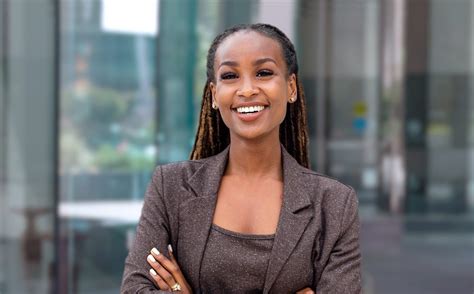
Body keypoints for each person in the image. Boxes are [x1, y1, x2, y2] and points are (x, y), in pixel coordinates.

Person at [121, 23, 362, 293]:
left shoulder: (334, 205)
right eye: (230, 76)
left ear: (290, 87)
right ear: (214, 94)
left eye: (263, 73)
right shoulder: (170, 187)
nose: (247, 90)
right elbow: (135, 289)